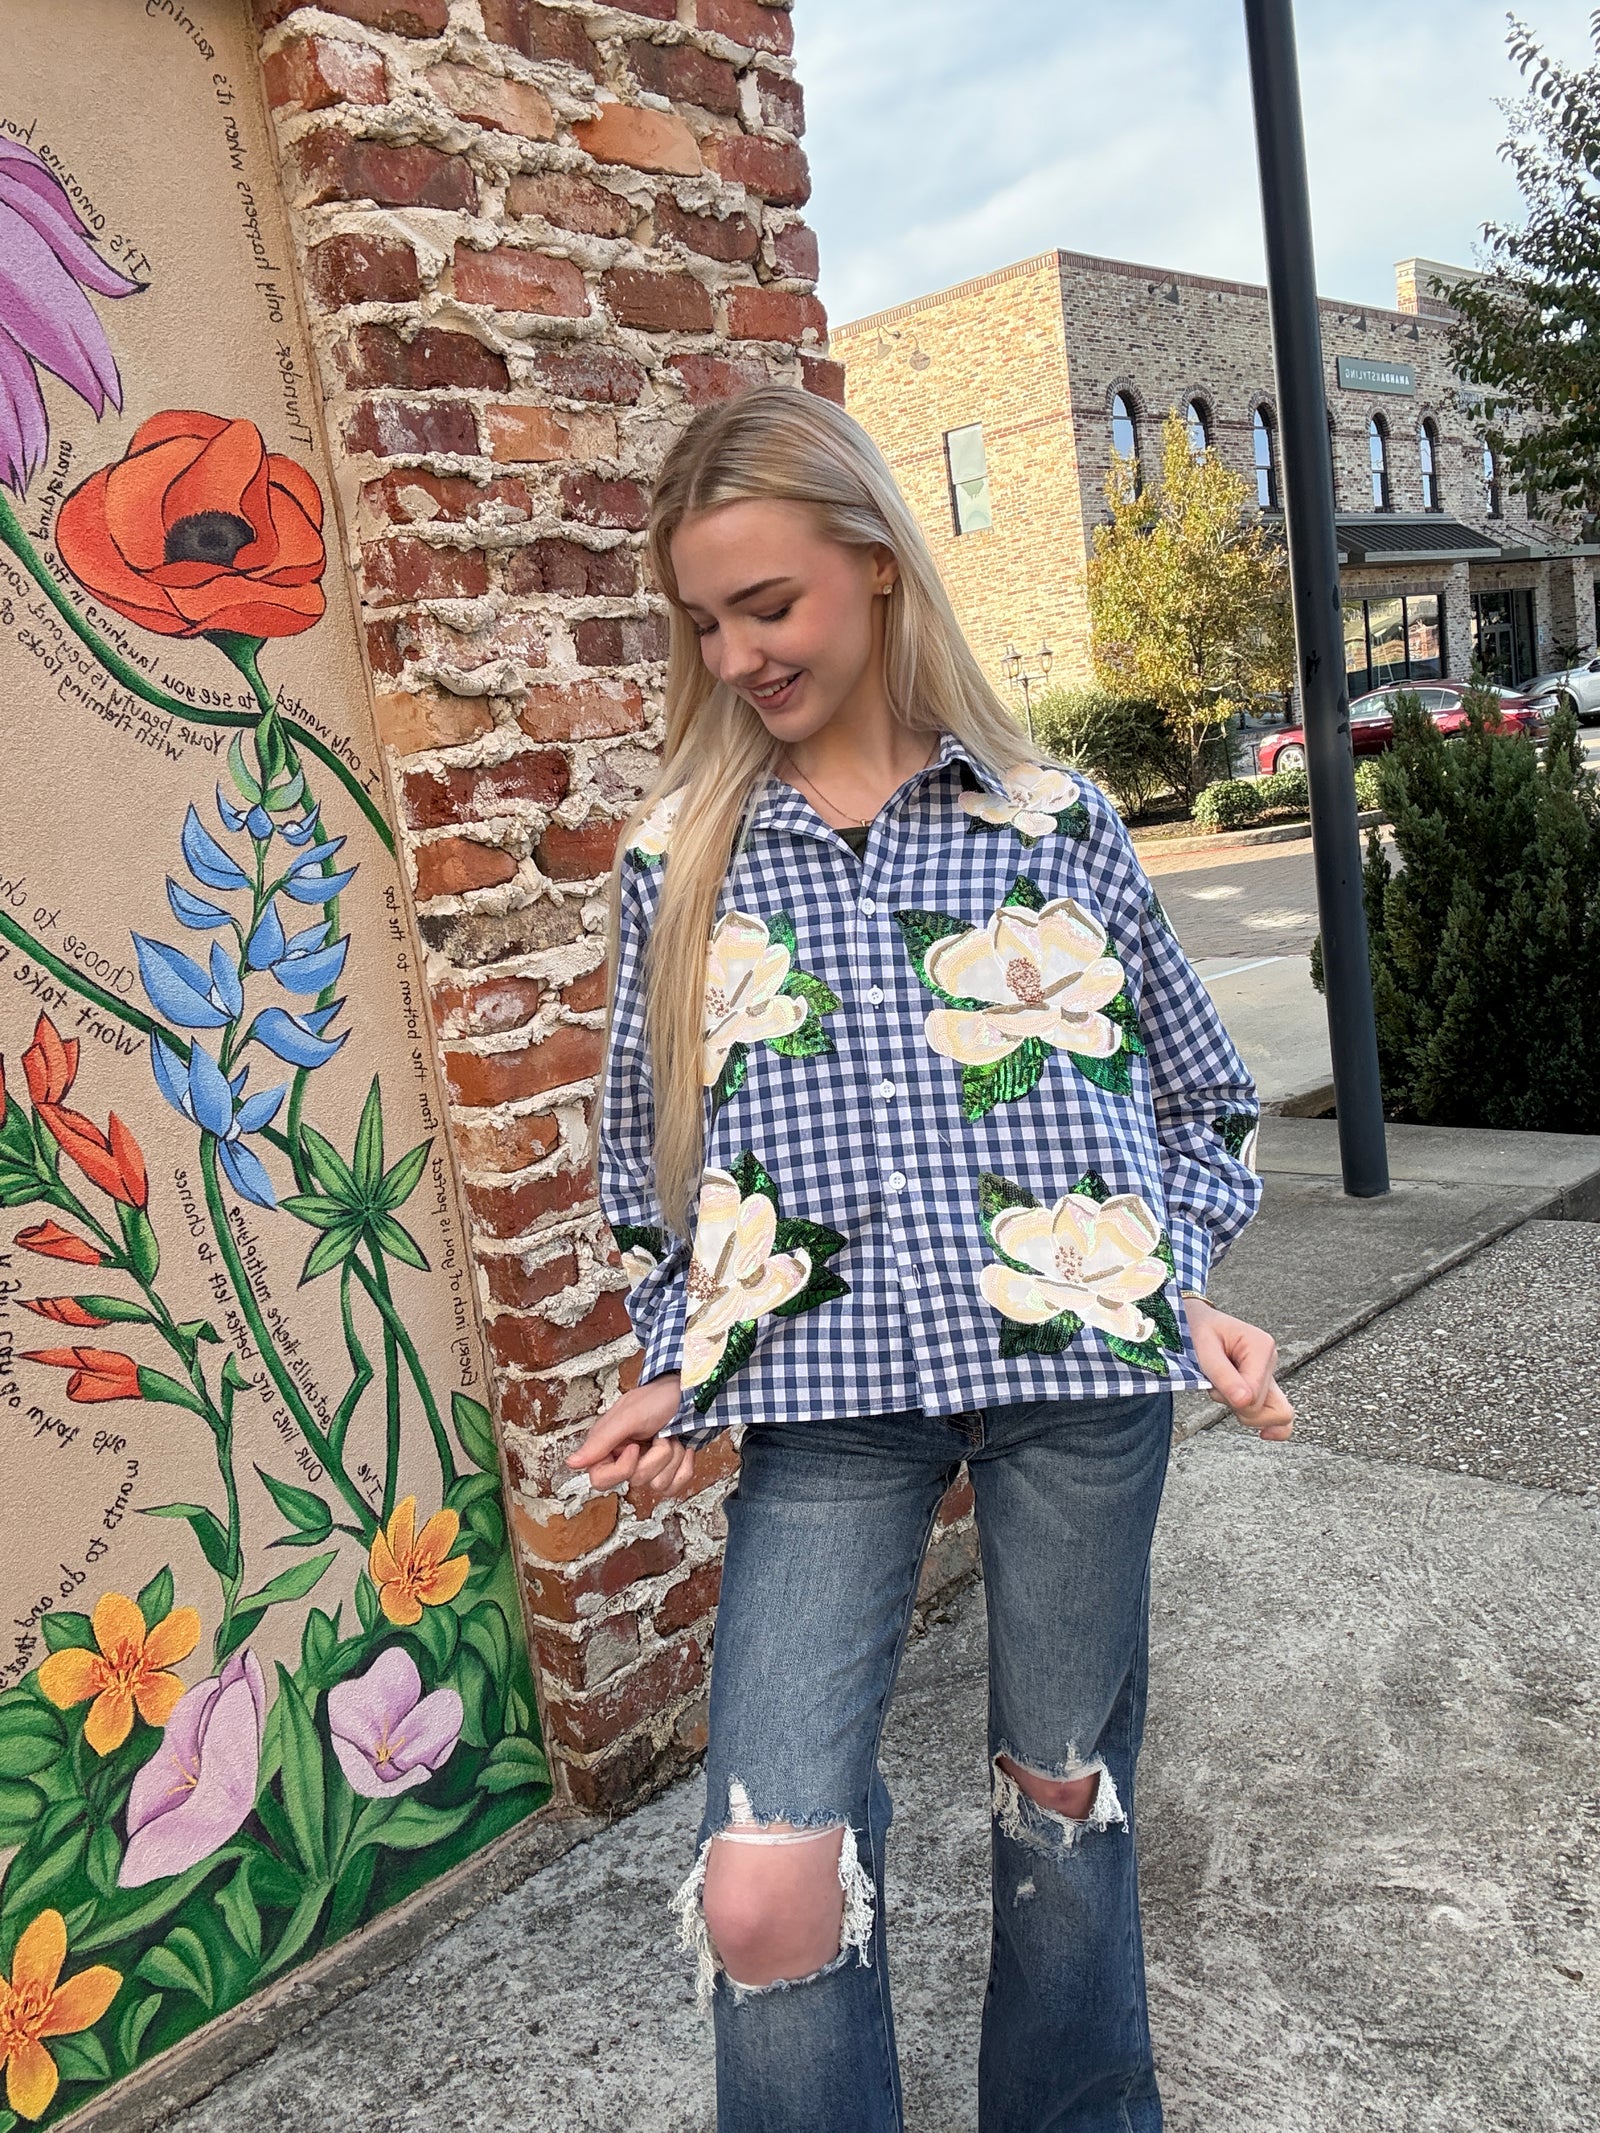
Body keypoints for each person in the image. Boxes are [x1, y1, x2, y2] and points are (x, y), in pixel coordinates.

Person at [568, 384, 1293, 2133]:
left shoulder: (1055, 826)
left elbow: (1201, 1109)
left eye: (770, 604)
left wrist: (1171, 1281)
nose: (736, 652)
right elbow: (653, 1170)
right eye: (704, 622)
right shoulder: (681, 864)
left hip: (1074, 1397)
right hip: (827, 1420)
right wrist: (682, 1344)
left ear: (877, 570)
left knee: (1064, 1809)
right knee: (765, 1880)